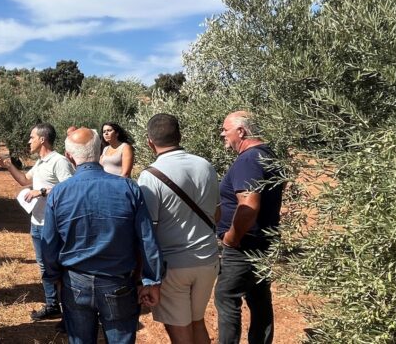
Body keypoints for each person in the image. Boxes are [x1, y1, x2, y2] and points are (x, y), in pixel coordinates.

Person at [42, 126, 163, 344]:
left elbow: (49, 243)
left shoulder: (58, 193)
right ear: (100, 151)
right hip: (117, 282)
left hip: (75, 281)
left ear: (69, 156)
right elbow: (146, 238)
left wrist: (53, 277)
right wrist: (152, 280)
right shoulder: (128, 188)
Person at [137, 113, 219, 344]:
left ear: (149, 141)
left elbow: (148, 231)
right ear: (179, 136)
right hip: (208, 260)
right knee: (197, 322)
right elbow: (217, 212)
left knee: (180, 331)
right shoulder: (205, 165)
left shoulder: (150, 176)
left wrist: (144, 276)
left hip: (173, 266)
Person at [215, 111, 285, 344]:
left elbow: (248, 206)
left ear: (241, 131)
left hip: (244, 245)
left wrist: (231, 238)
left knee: (226, 296)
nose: (222, 134)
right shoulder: (268, 154)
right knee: (259, 296)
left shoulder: (249, 159)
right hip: (264, 242)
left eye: (225, 129)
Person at [0, 122, 74, 321]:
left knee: (57, 267)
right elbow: (24, 180)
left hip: (53, 224)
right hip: (37, 222)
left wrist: (42, 191)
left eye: (32, 137)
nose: (29, 141)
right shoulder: (40, 162)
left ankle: (69, 312)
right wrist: (8, 166)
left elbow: (70, 188)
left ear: (42, 139)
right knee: (44, 266)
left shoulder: (59, 161)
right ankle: (52, 305)